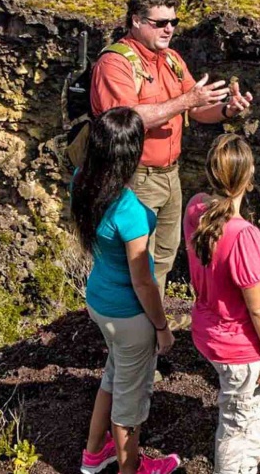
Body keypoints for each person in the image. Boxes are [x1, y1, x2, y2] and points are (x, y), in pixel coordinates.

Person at [91, 0, 253, 329]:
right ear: (136, 21)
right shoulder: (115, 63)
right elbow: (125, 119)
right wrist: (186, 102)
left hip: (169, 175)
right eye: (160, 22)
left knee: (163, 256)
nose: (169, 29)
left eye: (174, 22)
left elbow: (197, 111)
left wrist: (226, 110)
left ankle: (153, 325)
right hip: (134, 177)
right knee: (138, 262)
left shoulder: (172, 60)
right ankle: (136, 335)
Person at [72, 107, 181, 474]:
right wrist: (162, 328)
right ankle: (130, 467)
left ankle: (93, 454)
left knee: (113, 376)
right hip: (129, 315)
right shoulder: (129, 211)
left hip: (99, 300)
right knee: (129, 405)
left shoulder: (81, 181)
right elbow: (144, 281)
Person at [183, 134, 260, 474]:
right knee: (238, 430)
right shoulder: (243, 235)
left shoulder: (195, 207)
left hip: (207, 328)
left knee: (243, 400)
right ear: (249, 175)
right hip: (238, 347)